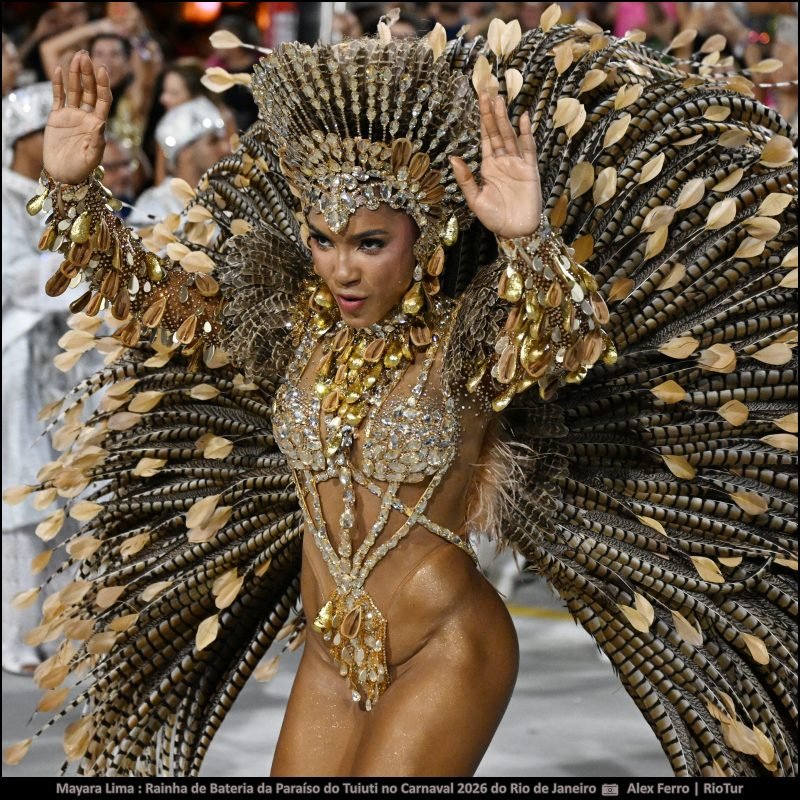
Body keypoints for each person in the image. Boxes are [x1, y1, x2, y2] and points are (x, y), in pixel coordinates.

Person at [3, 8, 797, 779]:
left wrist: (525, 238)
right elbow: (153, 301)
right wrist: (74, 193)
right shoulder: (290, 329)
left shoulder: (466, 344)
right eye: (323, 241)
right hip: (329, 650)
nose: (342, 269)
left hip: (446, 644)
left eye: (370, 243)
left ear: (424, 237)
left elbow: (566, 338)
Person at [1, 83, 73, 675]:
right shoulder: (2, 197)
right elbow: (18, 277)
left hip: (62, 360)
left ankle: (54, 627)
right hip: (16, 358)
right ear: (23, 138)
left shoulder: (59, 196)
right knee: (22, 494)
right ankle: (15, 636)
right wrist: (80, 266)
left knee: (60, 493)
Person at [128, 96, 230, 227]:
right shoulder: (156, 206)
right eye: (213, 141)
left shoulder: (228, 198)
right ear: (185, 153)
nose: (226, 148)